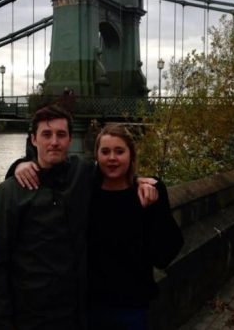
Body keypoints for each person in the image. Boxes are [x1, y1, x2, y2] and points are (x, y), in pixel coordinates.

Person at [0, 105, 158, 330]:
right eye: (46, 135)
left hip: (77, 313)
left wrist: (139, 182)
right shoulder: (10, 192)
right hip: (33, 316)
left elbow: (115, 170)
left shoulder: (83, 173)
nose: (54, 142)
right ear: (33, 140)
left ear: (69, 139)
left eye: (61, 135)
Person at [87, 124, 183, 330]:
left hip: (131, 305)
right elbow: (53, 169)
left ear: (131, 155)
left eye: (119, 151)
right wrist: (20, 165)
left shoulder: (146, 194)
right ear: (96, 156)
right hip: (90, 304)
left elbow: (165, 252)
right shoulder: (86, 193)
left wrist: (154, 208)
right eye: (105, 151)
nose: (112, 157)